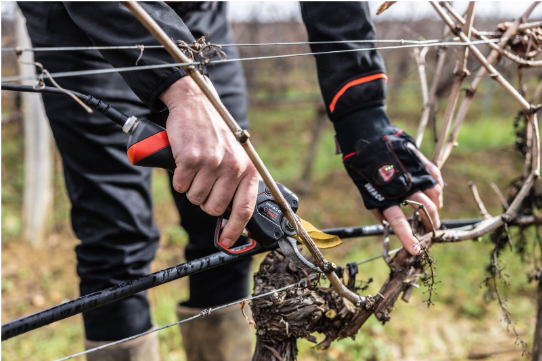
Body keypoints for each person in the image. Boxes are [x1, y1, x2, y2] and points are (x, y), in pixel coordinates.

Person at [17, 2, 443, 361]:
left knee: (233, 217)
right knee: (114, 236)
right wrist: (179, 87)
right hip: (82, 19)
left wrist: (361, 115)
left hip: (196, 17)